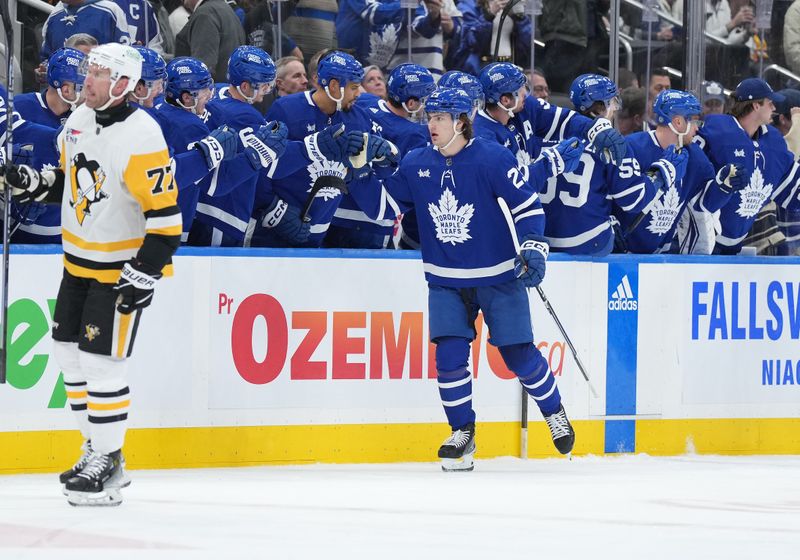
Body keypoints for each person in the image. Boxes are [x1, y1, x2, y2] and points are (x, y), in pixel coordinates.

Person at [347, 88, 579, 470]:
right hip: (444, 279)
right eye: (430, 117)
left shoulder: (491, 157)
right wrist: (360, 172)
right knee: (450, 356)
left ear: (461, 121)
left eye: (439, 118)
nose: (430, 124)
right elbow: (383, 208)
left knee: (518, 356)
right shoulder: (417, 162)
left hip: (498, 276)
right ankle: (462, 433)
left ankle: (553, 411)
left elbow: (527, 206)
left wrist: (534, 246)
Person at [0, 43, 181, 506]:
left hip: (117, 272)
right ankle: (94, 450)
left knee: (102, 364)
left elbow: (165, 220)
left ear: (123, 85)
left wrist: (144, 275)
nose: (88, 80)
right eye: (89, 71)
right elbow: (68, 181)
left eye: (99, 74)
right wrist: (32, 182)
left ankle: (111, 460)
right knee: (67, 355)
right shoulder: (78, 120)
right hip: (75, 265)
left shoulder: (144, 136)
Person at [264, 51, 387, 249]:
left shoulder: (359, 118)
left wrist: (383, 158)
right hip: (273, 231)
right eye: (354, 87)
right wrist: (274, 210)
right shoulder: (286, 109)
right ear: (334, 86)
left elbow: (366, 174)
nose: (359, 93)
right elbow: (261, 165)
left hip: (321, 234)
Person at [541, 74, 668, 256]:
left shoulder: (545, 137)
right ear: (599, 108)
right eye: (612, 102)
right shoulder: (612, 143)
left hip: (543, 241)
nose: (615, 109)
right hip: (587, 242)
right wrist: (658, 176)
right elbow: (633, 200)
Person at [623, 89, 743, 254]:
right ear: (678, 122)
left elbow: (705, 204)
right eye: (693, 121)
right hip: (620, 254)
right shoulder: (633, 148)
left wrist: (723, 187)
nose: (697, 128)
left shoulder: (695, 157)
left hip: (661, 257)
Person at [697, 78, 800, 254]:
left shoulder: (773, 142)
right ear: (756, 105)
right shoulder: (716, 132)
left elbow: (792, 190)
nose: (774, 108)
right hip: (699, 241)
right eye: (770, 103)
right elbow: (691, 181)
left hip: (738, 245)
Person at [174, 0, 247, 81]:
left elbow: (203, 68)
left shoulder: (205, 14)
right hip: (227, 87)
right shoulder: (224, 8)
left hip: (214, 89)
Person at [41, 0, 131, 61]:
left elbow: (125, 57)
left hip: (99, 86)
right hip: (62, 87)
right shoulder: (54, 16)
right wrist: (44, 71)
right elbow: (46, 58)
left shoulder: (110, 11)